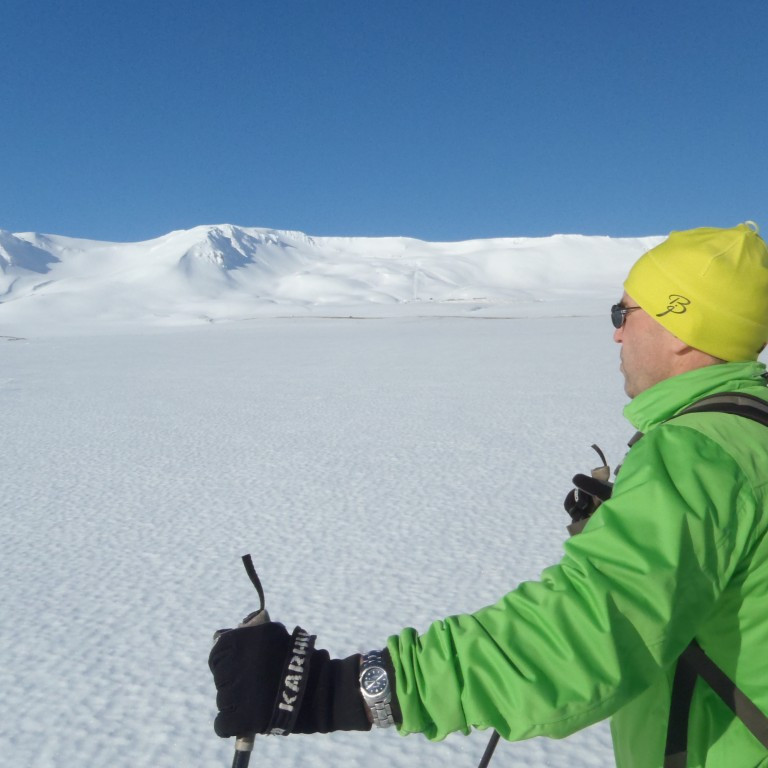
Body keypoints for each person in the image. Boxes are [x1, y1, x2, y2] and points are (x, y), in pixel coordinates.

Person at [209, 222, 768, 768]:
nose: (617, 332)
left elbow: (580, 635)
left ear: (681, 325)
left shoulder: (700, 456)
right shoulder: (750, 435)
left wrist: (336, 689)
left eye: (623, 313)